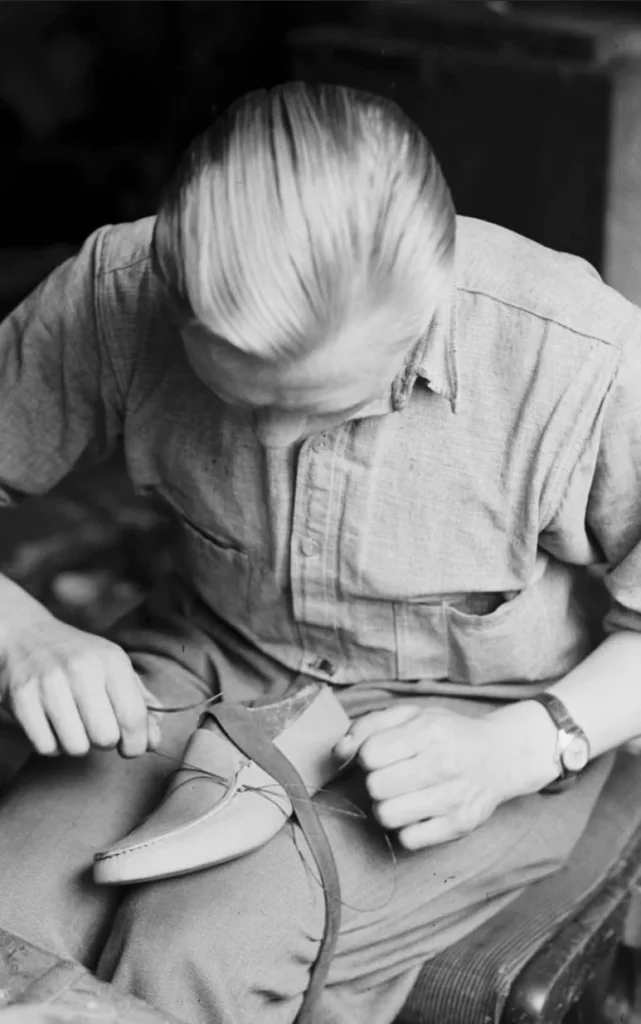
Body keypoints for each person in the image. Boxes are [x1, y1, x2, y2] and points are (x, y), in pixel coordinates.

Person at [0, 80, 639, 1024]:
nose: (264, 444)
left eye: (329, 404)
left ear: (426, 306)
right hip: (204, 662)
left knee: (201, 946)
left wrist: (525, 743)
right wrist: (19, 631)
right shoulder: (113, 295)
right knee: (15, 913)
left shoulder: (578, 357)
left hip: (476, 719)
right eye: (238, 397)